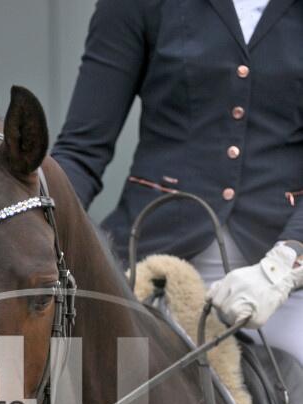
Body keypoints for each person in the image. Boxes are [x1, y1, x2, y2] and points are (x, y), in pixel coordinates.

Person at [51, 0, 303, 364]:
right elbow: (80, 150)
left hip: (281, 272)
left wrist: (282, 267)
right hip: (152, 258)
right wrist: (37, 225)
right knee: (53, 375)